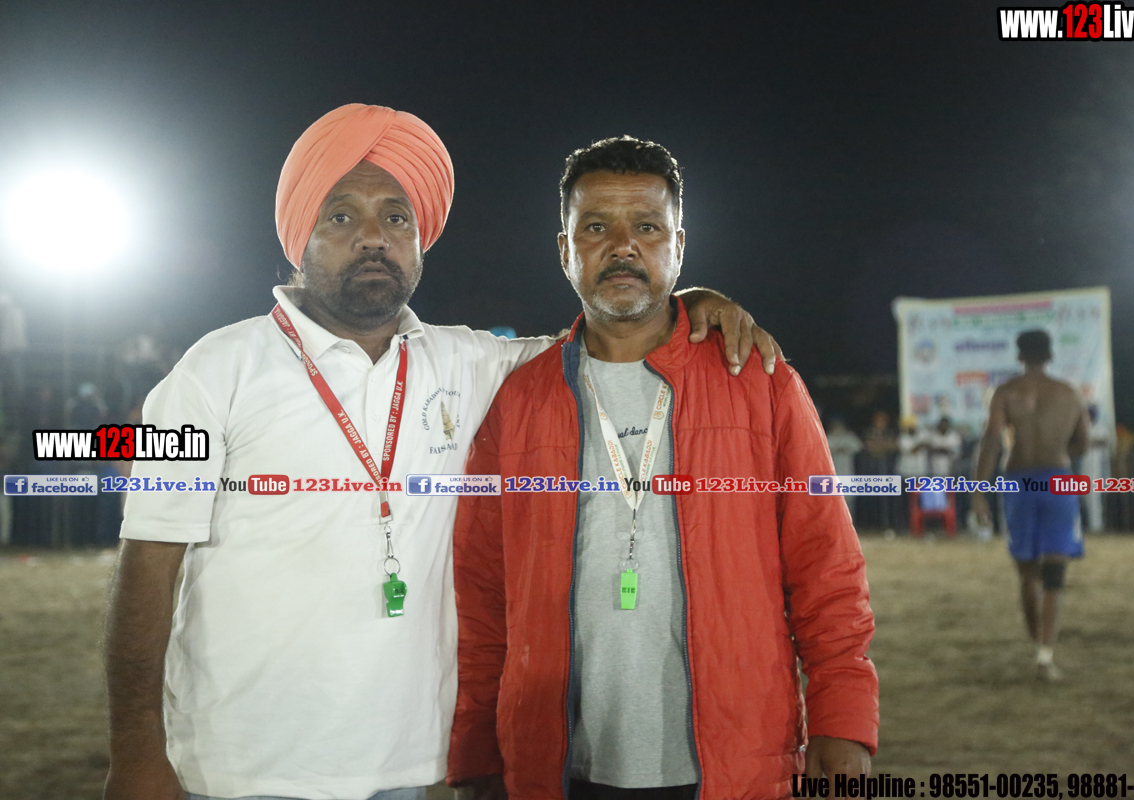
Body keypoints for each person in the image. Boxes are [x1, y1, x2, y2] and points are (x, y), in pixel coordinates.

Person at [102, 105, 782, 800]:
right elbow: (147, 567)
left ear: (421, 240)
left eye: (397, 218)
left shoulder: (467, 362)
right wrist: (136, 755)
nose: (374, 237)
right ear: (299, 233)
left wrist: (690, 299)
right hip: (239, 766)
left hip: (407, 767)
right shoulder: (214, 370)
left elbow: (614, 336)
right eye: (342, 215)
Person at [447, 136, 877, 800]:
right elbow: (481, 596)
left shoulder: (759, 382)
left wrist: (842, 719)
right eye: (596, 228)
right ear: (564, 250)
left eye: (647, 227)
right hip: (558, 770)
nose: (623, 246)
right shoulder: (518, 401)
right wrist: (476, 750)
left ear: (678, 244)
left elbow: (827, 566)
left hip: (732, 766)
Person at [973, 329, 1088, 681]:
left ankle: (1038, 646)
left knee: (1027, 572)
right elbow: (1082, 443)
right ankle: (1044, 655)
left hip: (1019, 480)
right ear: (1050, 355)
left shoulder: (1006, 392)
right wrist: (1057, 451)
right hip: (1056, 480)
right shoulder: (1068, 393)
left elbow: (992, 441)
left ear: (1020, 355)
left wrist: (978, 491)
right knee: (1055, 572)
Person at [826, 417, 863, 519]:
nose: (837, 427)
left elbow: (858, 446)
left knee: (848, 499)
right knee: (833, 498)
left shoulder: (849, 436)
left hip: (847, 471)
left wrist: (845, 449)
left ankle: (850, 521)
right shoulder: (829, 437)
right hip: (833, 472)